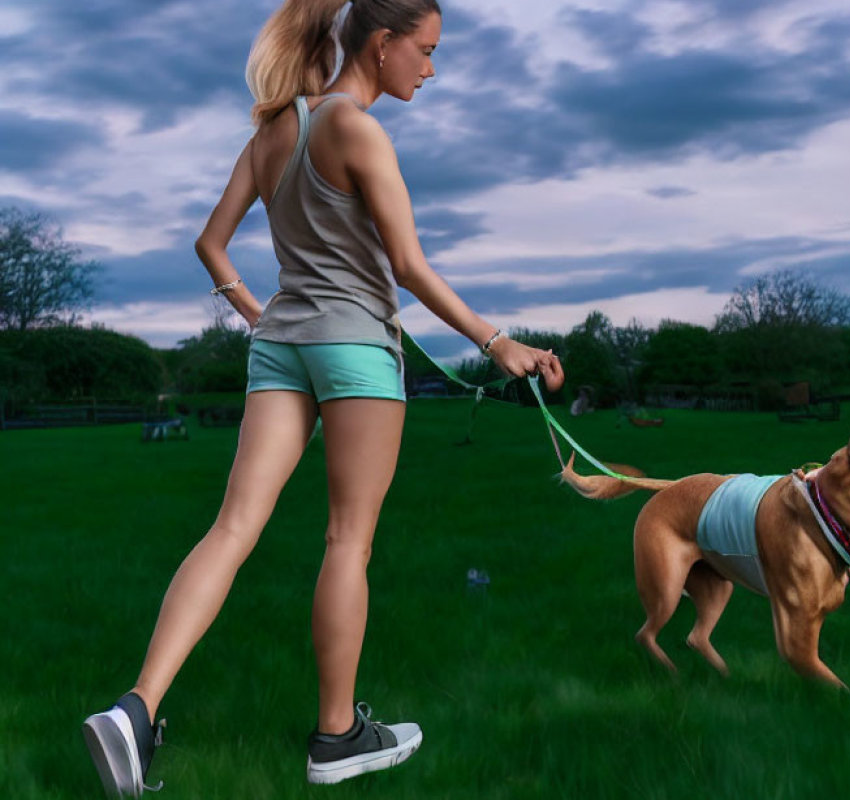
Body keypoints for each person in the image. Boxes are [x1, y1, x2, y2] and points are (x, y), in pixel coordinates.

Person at [81, 0, 564, 795]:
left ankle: (136, 710)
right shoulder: (357, 129)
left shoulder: (273, 131)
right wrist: (495, 342)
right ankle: (337, 737)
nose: (431, 69)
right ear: (382, 45)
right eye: (426, 50)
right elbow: (405, 265)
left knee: (233, 527)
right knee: (348, 541)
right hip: (354, 351)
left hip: (281, 348)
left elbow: (210, 242)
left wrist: (256, 310)